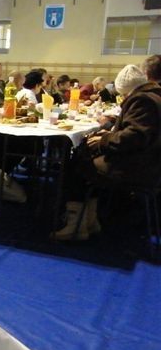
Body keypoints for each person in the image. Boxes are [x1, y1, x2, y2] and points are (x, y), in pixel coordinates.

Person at [53, 64, 161, 240]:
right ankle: (90, 221)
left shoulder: (142, 100)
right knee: (86, 161)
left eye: (124, 94)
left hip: (137, 167)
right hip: (150, 163)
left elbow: (134, 136)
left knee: (76, 165)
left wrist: (103, 140)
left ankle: (76, 225)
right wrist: (109, 135)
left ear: (128, 90)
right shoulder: (155, 96)